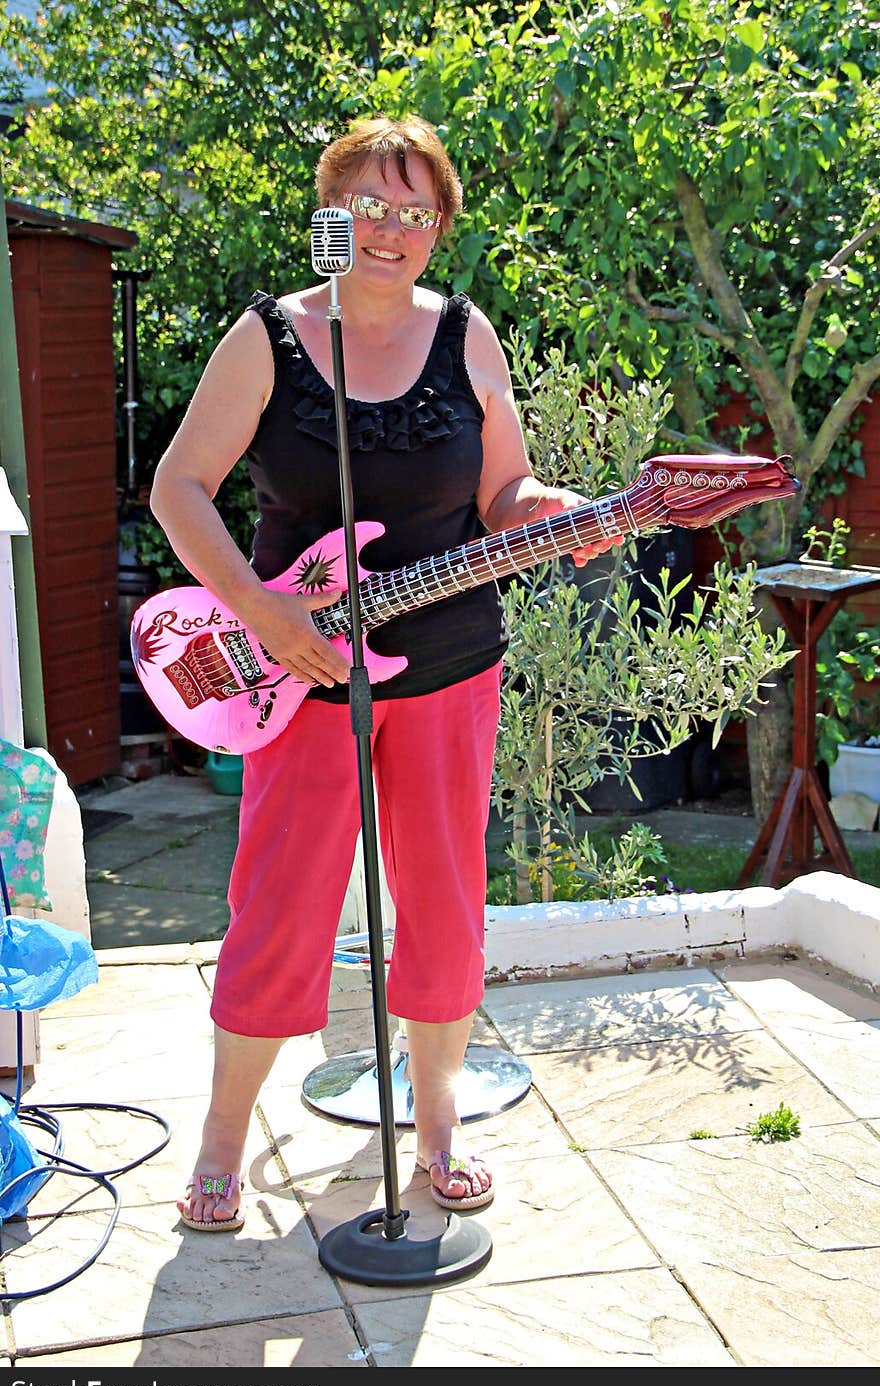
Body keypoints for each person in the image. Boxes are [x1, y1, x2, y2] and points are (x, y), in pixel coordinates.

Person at [149, 114, 619, 1231]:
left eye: (416, 210)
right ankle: (222, 1144)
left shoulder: (469, 337)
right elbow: (179, 488)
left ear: (440, 227)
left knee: (447, 905)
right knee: (278, 906)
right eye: (370, 202)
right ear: (330, 210)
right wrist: (259, 609)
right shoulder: (265, 336)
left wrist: (546, 513)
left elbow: (504, 497)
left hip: (451, 667)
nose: (391, 228)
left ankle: (439, 1123)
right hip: (298, 675)